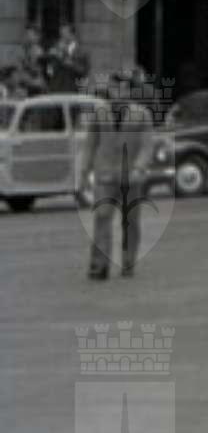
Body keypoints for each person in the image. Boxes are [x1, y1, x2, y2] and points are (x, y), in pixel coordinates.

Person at [80, 72, 151, 280]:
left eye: (121, 88)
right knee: (102, 217)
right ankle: (99, 265)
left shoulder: (142, 114)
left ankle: (128, 261)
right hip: (105, 174)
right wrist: (84, 171)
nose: (117, 93)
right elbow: (90, 144)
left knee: (131, 221)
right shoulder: (99, 113)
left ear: (129, 91)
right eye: (113, 88)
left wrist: (139, 167)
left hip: (131, 177)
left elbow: (147, 145)